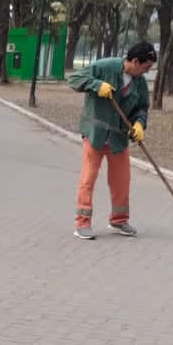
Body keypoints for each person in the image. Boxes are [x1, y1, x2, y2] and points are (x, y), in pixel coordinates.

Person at [66, 41, 156, 240]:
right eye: (146, 66)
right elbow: (74, 79)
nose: (147, 71)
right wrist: (97, 85)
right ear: (134, 61)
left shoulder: (139, 82)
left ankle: (119, 220)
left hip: (118, 138)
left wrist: (139, 124)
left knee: (121, 182)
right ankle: (82, 223)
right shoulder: (105, 67)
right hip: (95, 135)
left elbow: (141, 108)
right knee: (87, 180)